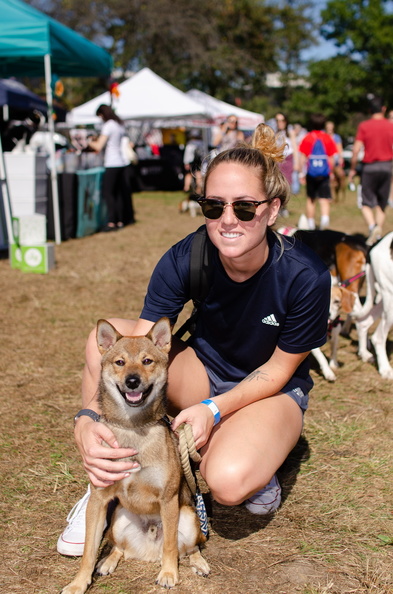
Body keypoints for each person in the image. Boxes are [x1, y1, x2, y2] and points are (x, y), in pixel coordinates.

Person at [57, 123, 331, 557]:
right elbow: (139, 350)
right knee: (102, 343)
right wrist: (85, 421)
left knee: (227, 481)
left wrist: (212, 410)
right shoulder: (188, 255)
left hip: (270, 388)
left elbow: (280, 369)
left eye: (244, 207)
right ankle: (103, 485)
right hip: (204, 372)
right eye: (212, 205)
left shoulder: (306, 276)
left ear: (273, 209)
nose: (226, 219)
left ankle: (263, 452)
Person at [349, 95, 393, 245]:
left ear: (369, 110)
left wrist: (353, 169)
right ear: (384, 108)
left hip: (370, 167)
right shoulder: (390, 125)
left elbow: (356, 149)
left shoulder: (364, 126)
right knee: (382, 203)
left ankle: (373, 226)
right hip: (387, 167)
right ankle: (378, 232)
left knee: (366, 203)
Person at [88, 104, 135, 231]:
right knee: (118, 193)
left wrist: (88, 141)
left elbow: (98, 146)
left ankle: (111, 222)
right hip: (120, 162)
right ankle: (120, 221)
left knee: (108, 193)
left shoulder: (108, 125)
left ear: (102, 114)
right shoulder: (119, 124)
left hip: (112, 162)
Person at [298, 113, 338, 230]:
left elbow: (303, 157)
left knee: (311, 199)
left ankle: (310, 224)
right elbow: (331, 157)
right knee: (324, 199)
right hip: (324, 173)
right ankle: (324, 223)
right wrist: (331, 173)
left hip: (311, 173)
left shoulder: (308, 138)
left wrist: (301, 173)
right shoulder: (327, 138)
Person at [274, 112, 300, 198]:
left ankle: (284, 205)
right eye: (278, 120)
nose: (280, 122)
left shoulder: (290, 132)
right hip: (278, 160)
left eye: (282, 120)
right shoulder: (275, 133)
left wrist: (296, 163)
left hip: (288, 160)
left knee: (287, 184)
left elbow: (295, 148)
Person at [325, 121, 346, 202]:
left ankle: (338, 194)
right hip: (327, 161)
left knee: (339, 178)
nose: (330, 129)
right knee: (329, 179)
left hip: (336, 161)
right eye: (328, 128)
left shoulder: (336, 137)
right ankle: (329, 195)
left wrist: (341, 158)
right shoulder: (324, 136)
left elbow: (339, 149)